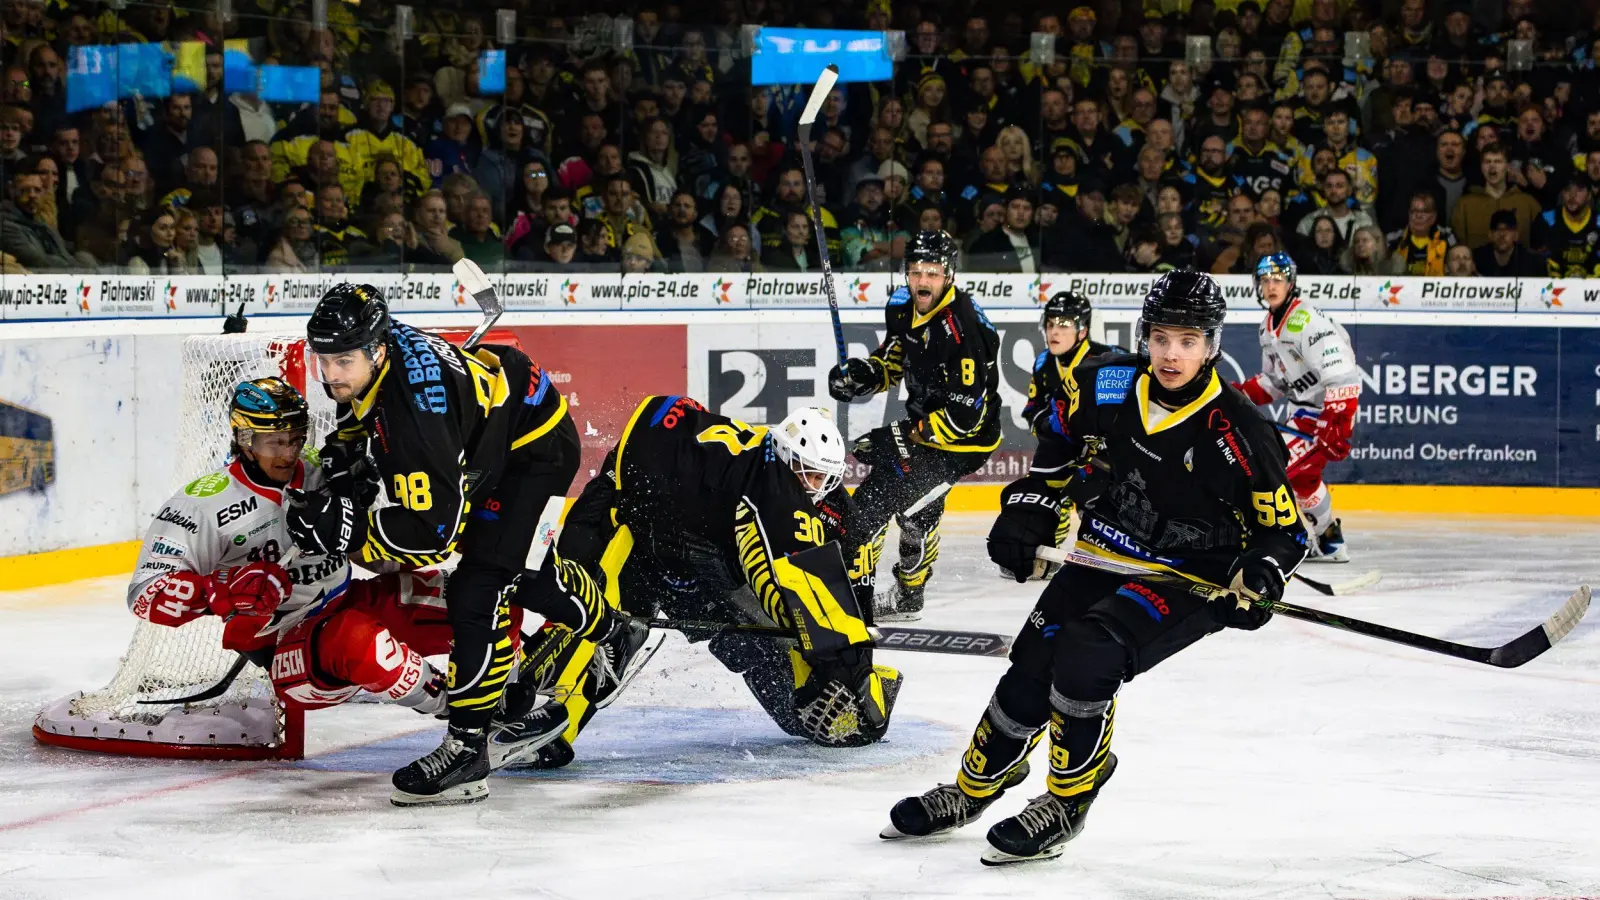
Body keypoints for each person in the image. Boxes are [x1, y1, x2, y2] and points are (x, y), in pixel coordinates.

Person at [884, 271, 1308, 865]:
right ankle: (973, 789)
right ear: (1144, 335)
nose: (1171, 354)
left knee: (1089, 653)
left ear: (1211, 345)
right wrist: (1031, 508)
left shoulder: (1240, 429)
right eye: (1161, 338)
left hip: (1190, 575)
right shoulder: (1109, 382)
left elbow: (1283, 532)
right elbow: (1057, 455)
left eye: (1188, 341)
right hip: (1107, 550)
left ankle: (1067, 802)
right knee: (1032, 665)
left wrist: (1261, 572)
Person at [292, 284, 616, 806]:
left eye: (343, 360)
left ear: (376, 351)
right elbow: (364, 419)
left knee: (479, 588)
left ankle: (467, 752)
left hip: (534, 449)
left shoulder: (416, 416)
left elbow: (434, 535)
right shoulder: (379, 357)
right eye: (324, 359)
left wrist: (348, 532)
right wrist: (343, 455)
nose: (331, 374)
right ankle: (607, 628)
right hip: (498, 432)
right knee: (521, 570)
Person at [500, 400, 901, 768]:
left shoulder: (790, 479)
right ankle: (534, 700)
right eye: (811, 475)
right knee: (596, 614)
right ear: (789, 457)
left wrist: (847, 653)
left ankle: (539, 699)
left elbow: (834, 593)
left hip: (686, 548)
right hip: (638, 524)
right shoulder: (775, 488)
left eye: (824, 478)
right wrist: (838, 645)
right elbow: (795, 588)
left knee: (624, 627)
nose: (817, 487)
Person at [128, 377, 452, 725]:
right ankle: (468, 718)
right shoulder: (202, 503)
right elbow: (144, 592)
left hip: (348, 601)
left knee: (476, 599)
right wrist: (222, 588)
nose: (288, 453)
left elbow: (377, 558)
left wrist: (358, 512)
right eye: (274, 442)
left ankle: (512, 705)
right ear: (244, 439)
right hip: (289, 644)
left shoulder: (321, 468)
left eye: (296, 438)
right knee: (358, 639)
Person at [828, 231, 1001, 619]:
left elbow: (963, 419)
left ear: (950, 275)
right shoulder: (903, 304)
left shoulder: (964, 329)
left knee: (874, 503)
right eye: (916, 271)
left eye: (933, 273)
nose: (923, 281)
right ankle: (908, 596)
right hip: (925, 427)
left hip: (964, 443)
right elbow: (895, 357)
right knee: (914, 511)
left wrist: (898, 435)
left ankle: (856, 603)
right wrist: (864, 375)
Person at [1234, 254, 1361, 561]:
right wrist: (1236, 396)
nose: (1270, 286)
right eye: (1265, 280)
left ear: (1290, 282)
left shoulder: (1306, 320)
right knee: (1304, 482)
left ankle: (1271, 542)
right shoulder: (1268, 327)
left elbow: (1341, 371)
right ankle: (1330, 541)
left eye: (1277, 279)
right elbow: (1276, 381)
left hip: (1326, 414)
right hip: (1301, 413)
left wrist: (1338, 421)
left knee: (1271, 472)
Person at [1006, 291, 1121, 579]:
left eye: (1064, 324)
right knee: (1043, 491)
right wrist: (1048, 427)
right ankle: (1046, 548)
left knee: (1097, 505)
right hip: (1066, 451)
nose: (1055, 331)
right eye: (1051, 323)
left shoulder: (1106, 361)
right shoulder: (1044, 363)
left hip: (1104, 455)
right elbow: (1033, 408)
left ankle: (1110, 547)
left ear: (1082, 329)